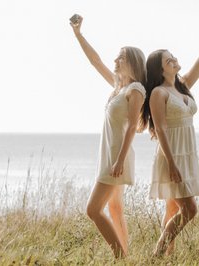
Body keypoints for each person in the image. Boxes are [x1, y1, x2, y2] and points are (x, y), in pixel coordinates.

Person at [141, 12, 199, 256]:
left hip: (187, 154)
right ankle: (157, 254)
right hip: (172, 156)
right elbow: (160, 128)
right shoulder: (159, 93)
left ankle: (166, 255)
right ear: (160, 69)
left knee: (175, 208)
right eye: (169, 60)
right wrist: (171, 163)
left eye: (173, 58)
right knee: (190, 209)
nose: (174, 60)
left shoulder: (183, 86)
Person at [70, 15, 146, 258]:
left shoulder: (135, 90)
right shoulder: (119, 87)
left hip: (117, 156)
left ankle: (120, 256)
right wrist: (78, 34)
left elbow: (133, 125)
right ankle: (126, 258)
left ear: (132, 63)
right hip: (111, 155)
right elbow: (95, 61)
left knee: (93, 210)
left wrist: (120, 160)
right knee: (114, 207)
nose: (115, 60)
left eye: (121, 57)